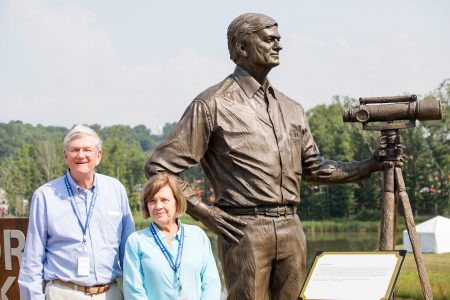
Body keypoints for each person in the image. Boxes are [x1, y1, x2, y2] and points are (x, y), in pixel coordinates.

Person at [145, 13, 385, 300]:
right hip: (244, 229)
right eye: (269, 39)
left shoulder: (292, 108)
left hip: (291, 228)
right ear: (242, 48)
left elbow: (315, 168)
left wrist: (371, 165)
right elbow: (160, 166)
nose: (278, 45)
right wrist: (207, 214)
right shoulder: (212, 104)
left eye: (279, 39)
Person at [19, 125, 135, 300]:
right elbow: (32, 261)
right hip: (63, 293)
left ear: (99, 156)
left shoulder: (116, 190)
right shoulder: (45, 196)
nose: (81, 155)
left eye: (87, 149)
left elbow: (129, 253)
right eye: (75, 150)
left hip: (109, 293)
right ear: (66, 155)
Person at [123, 173, 221, 299]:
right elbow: (134, 292)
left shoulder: (198, 236)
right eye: (152, 201)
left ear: (177, 201)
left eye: (164, 200)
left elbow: (211, 284)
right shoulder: (136, 242)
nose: (158, 206)